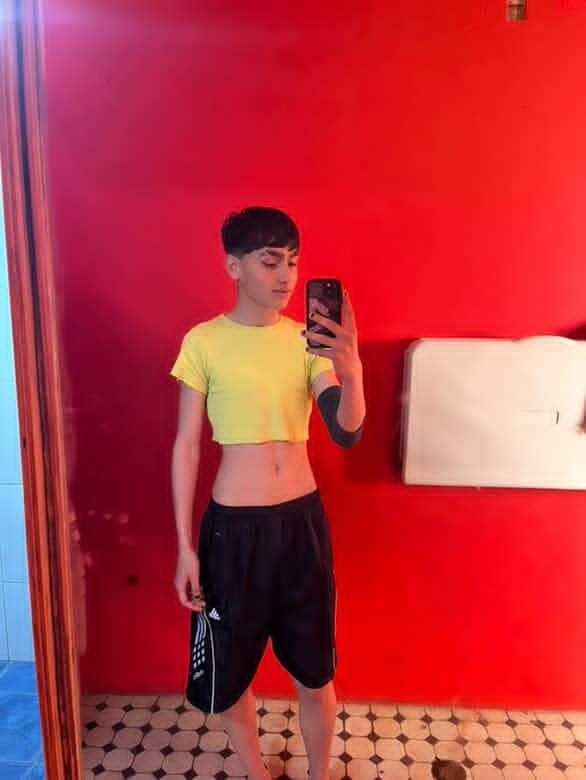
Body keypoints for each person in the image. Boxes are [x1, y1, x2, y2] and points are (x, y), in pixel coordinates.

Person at [170, 206, 365, 780]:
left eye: (293, 263)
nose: (286, 276)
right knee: (230, 675)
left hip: (302, 526)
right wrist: (184, 547)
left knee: (315, 672)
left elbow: (346, 430)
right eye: (270, 261)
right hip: (233, 532)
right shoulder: (203, 342)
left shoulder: (306, 343)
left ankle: (318, 773)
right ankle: (257, 773)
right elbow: (186, 445)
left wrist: (351, 369)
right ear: (234, 266)